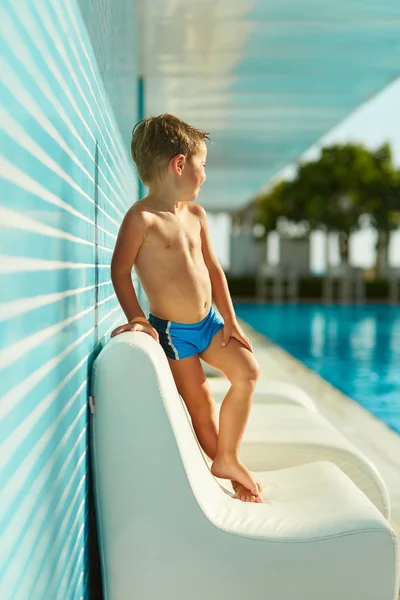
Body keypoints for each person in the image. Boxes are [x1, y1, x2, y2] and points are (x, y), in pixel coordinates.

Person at [110, 114, 263, 503]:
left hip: (210, 323)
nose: (205, 176)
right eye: (203, 166)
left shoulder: (196, 215)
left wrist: (230, 319)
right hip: (174, 333)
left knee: (247, 373)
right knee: (201, 404)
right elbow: (120, 272)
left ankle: (228, 456)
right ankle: (228, 469)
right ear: (180, 164)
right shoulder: (141, 219)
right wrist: (138, 319)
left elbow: (213, 269)